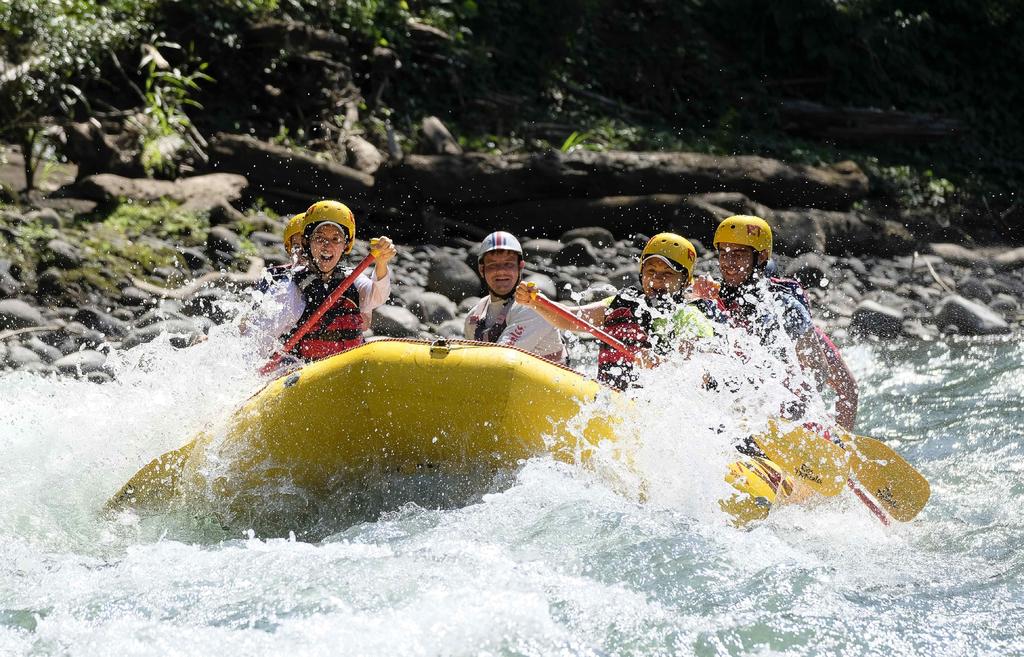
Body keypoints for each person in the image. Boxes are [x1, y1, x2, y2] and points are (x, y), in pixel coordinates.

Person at [693, 215, 859, 430]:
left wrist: (791, 405)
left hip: (787, 400)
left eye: (738, 254)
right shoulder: (711, 297)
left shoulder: (785, 304)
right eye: (723, 253)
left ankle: (840, 445)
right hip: (742, 401)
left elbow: (818, 371)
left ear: (761, 257)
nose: (728, 263)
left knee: (848, 388)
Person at [516, 233, 719, 390]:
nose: (657, 279)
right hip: (614, 398)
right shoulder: (624, 303)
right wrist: (535, 303)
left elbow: (696, 371)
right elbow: (570, 318)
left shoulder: (689, 317)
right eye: (651, 271)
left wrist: (660, 364)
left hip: (659, 407)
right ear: (641, 273)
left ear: (684, 281)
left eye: (668, 274)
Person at [249, 200, 397, 362]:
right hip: (304, 374)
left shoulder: (352, 280)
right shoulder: (287, 289)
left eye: (335, 239)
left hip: (349, 368)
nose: (327, 246)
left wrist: (382, 262)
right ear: (308, 243)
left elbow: (378, 295)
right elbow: (256, 342)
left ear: (345, 245)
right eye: (319, 239)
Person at [464, 231, 567, 363]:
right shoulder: (474, 317)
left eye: (508, 264)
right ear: (481, 270)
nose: (501, 271)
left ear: (520, 267)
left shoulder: (534, 308)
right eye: (493, 265)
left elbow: (502, 358)